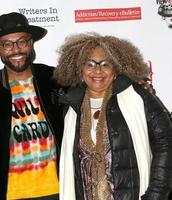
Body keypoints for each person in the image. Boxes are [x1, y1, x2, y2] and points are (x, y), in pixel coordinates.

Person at [53, 32, 172, 200]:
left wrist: (156, 194)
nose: (98, 70)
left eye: (105, 64)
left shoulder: (138, 96)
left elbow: (166, 143)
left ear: (116, 69)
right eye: (90, 64)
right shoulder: (71, 107)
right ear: (80, 69)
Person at [0, 12, 64, 200]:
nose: (16, 49)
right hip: (9, 193)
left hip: (59, 189)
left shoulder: (56, 79)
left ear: (31, 43)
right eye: (7, 44)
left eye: (22, 41)